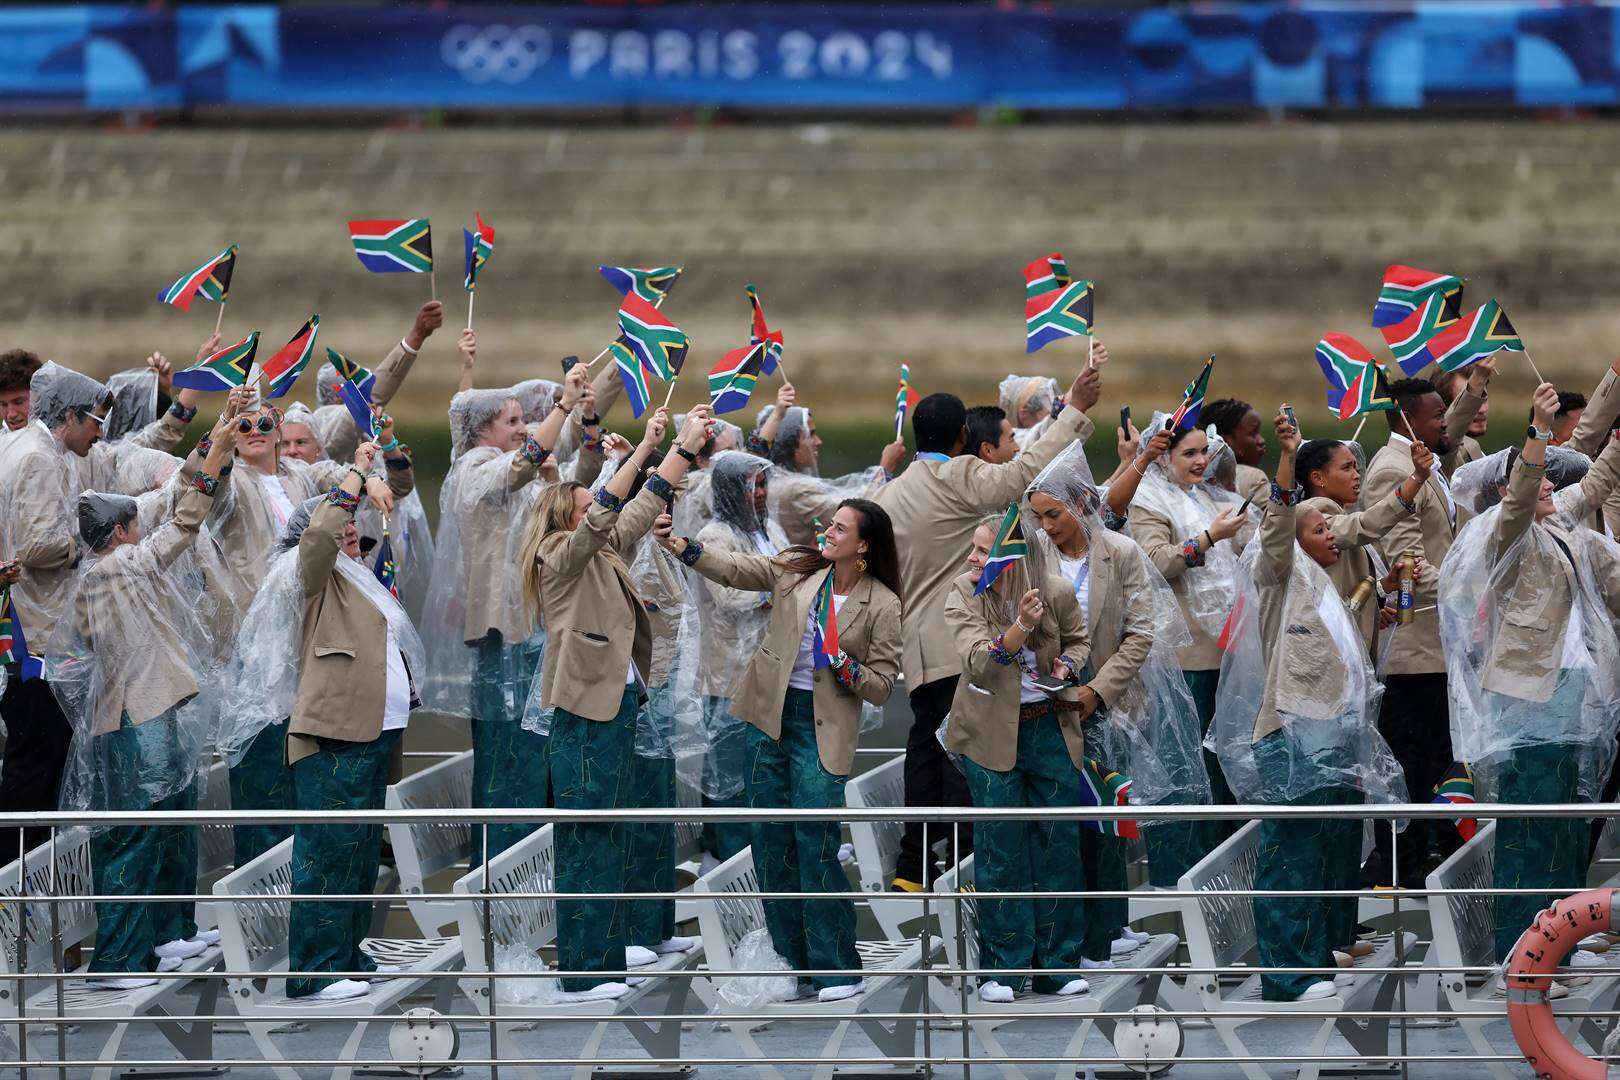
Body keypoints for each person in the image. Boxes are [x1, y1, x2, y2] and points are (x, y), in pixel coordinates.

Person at [657, 497, 902, 1003]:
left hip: (821, 725)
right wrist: (684, 547)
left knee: (815, 843)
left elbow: (881, 685)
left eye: (839, 528)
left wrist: (846, 668)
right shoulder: (799, 569)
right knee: (771, 844)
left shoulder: (883, 602)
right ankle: (793, 966)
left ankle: (837, 968)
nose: (828, 532)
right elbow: (739, 570)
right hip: (770, 717)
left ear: (863, 545)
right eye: (829, 524)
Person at [875, 362, 1102, 891]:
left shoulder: (886, 495)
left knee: (927, 747)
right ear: (962, 439)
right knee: (967, 754)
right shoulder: (956, 475)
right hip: (965, 642)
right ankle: (963, 866)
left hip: (916, 649)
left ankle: (914, 865)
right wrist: (1074, 412)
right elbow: (1021, 476)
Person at [514, 404, 709, 1001]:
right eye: (587, 507)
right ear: (565, 519)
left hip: (618, 708)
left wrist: (673, 446)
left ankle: (607, 946)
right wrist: (636, 458)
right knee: (588, 836)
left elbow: (642, 506)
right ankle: (584, 968)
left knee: (612, 828)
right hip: (583, 713)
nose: (601, 512)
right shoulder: (558, 556)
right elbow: (604, 515)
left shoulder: (601, 551)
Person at [1211, 408, 1406, 1003]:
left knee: (1324, 847)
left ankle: (1318, 955)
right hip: (1291, 732)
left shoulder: (1327, 586)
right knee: (1292, 852)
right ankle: (1285, 975)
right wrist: (1289, 464)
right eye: (1319, 527)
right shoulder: (1278, 574)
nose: (1331, 534)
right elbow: (1275, 529)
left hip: (1332, 734)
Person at [48, 415, 237, 989]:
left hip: (146, 708)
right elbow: (178, 526)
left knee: (167, 821)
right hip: (138, 714)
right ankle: (118, 961)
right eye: (134, 521)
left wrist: (212, 447)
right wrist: (211, 465)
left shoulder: (100, 573)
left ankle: (161, 935)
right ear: (122, 532)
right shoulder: (119, 568)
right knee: (138, 832)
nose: (140, 527)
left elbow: (165, 510)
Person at [1441, 383, 1620, 963]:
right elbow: (1522, 497)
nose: (1551, 486)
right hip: (1528, 700)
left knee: (1568, 821)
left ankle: (1564, 933)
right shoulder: (1506, 535)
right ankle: (1521, 952)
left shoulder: (1559, 524)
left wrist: (1616, 437)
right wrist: (1539, 432)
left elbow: (1593, 484)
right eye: (1539, 478)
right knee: (1531, 830)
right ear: (1506, 490)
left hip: (1573, 692)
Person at [196, 391, 411, 868]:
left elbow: (360, 483)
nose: (255, 434)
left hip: (312, 639)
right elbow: (204, 489)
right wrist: (222, 431)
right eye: (243, 427)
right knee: (263, 788)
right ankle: (257, 921)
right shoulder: (234, 482)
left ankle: (299, 910)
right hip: (254, 646)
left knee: (305, 792)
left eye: (263, 423)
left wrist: (374, 475)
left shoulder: (299, 473)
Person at [0, 361, 193, 865]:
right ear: (69, 416)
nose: (102, 432)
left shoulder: (44, 449)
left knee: (41, 773)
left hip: (42, 631)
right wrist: (92, 542)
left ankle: (35, 900)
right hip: (35, 641)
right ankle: (14, 895)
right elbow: (35, 545)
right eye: (96, 421)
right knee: (33, 777)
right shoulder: (39, 457)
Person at [1025, 442, 1211, 940]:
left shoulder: (1122, 552)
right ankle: (1075, 929)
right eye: (1039, 517)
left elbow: (1141, 633)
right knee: (1063, 815)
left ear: (1084, 504)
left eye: (1055, 514)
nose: (1047, 526)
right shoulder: (1033, 553)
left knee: (1108, 813)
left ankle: (1109, 923)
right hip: (1047, 698)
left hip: (1107, 698)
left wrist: (1099, 692)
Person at [421, 354, 594, 863]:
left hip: (532, 626)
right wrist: (563, 402)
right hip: (503, 634)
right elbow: (522, 464)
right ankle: (497, 884)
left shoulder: (509, 470)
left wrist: (583, 399)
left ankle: (532, 877)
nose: (525, 430)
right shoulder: (473, 470)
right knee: (508, 764)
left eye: (525, 420)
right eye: (513, 422)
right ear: (481, 431)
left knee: (533, 756)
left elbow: (561, 485)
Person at [273, 452, 429, 1002]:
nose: (353, 540)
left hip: (373, 730)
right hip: (333, 731)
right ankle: (312, 971)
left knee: (359, 850)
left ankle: (347, 954)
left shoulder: (359, 574)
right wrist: (356, 479)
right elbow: (318, 536)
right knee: (328, 850)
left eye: (356, 535)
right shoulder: (312, 573)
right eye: (346, 533)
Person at [940, 513, 1091, 1001]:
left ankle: (1058, 964)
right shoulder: (965, 592)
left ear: (1014, 558)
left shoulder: (1056, 590)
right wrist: (1020, 626)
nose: (972, 558)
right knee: (1000, 849)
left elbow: (1081, 639)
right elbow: (978, 662)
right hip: (989, 732)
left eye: (984, 551)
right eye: (974, 548)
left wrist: (1069, 663)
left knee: (1058, 846)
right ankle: (1002, 970)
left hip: (1049, 725)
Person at [1125, 416, 1251, 882]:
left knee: (1219, 768)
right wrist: (1210, 537)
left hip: (1224, 649)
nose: (1201, 462)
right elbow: (1156, 562)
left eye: (1204, 452)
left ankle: (1221, 877)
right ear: (1163, 457)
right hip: (1182, 658)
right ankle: (1177, 881)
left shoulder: (1202, 495)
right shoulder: (1147, 500)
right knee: (1181, 768)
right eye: (1189, 454)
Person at [1361, 376, 1474, 886]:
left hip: (1441, 646)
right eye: (1436, 416)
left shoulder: (1424, 463)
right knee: (1413, 767)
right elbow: (1406, 562)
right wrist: (1473, 586)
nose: (1445, 423)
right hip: (1414, 650)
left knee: (1442, 766)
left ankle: (1439, 870)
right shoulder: (1391, 470)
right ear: (1409, 421)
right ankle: (1397, 876)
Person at [673, 450, 788, 867]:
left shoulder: (770, 528)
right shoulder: (715, 536)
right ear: (728, 490)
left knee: (760, 771)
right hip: (728, 674)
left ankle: (758, 860)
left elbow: (787, 572)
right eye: (750, 486)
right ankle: (725, 859)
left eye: (762, 485)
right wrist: (776, 591)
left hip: (767, 669)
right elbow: (731, 594)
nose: (759, 494)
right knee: (729, 776)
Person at [1294, 436, 1432, 650]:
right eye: (1347, 468)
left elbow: (1342, 592)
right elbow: (1366, 525)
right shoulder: (1316, 513)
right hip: (1327, 649)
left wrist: (1383, 588)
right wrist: (1417, 478)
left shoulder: (1337, 514)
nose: (1357, 476)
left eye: (1357, 468)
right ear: (1317, 477)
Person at [750, 383, 904, 547]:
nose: (818, 442)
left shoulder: (771, 478)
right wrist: (885, 469)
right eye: (811, 435)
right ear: (790, 443)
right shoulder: (795, 489)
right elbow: (856, 514)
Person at [306, 301, 443, 464]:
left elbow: (402, 486)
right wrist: (416, 336)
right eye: (356, 388)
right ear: (336, 396)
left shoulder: (373, 429)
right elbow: (368, 399)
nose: (364, 394)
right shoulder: (320, 425)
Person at [1432, 357, 1494, 476]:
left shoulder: (1480, 454)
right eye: (1469, 402)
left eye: (1482, 398)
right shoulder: (1438, 457)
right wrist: (1477, 381)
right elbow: (1449, 440)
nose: (1480, 410)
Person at [1202, 398, 1269, 502]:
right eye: (1253, 434)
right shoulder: (1255, 479)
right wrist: (1288, 455)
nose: (1261, 441)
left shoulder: (1194, 481)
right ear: (1223, 441)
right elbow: (1281, 516)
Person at [0, 348, 40, 437]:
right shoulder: (2, 442)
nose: (11, 414)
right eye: (3, 404)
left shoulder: (65, 444)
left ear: (40, 397)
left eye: (18, 402)